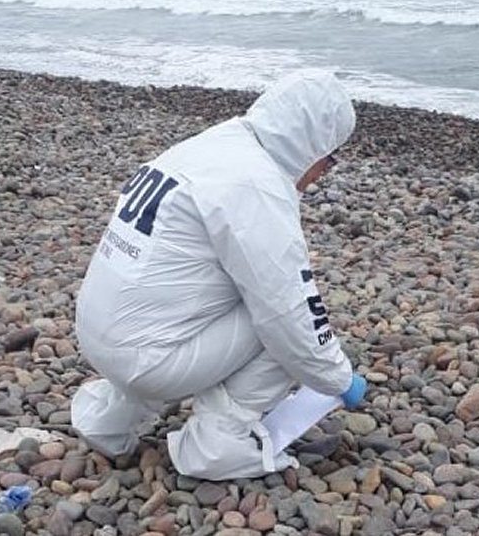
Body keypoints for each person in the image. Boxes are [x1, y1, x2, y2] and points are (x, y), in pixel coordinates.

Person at [70, 69, 368, 480]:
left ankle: (107, 420)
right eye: (330, 159)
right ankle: (218, 446)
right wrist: (337, 377)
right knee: (283, 326)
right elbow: (290, 313)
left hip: (96, 331)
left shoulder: (213, 145)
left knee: (195, 286)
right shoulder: (256, 186)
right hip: (147, 359)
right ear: (312, 146)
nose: (323, 173)